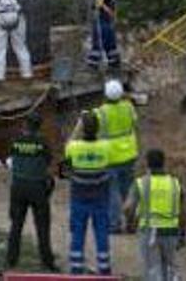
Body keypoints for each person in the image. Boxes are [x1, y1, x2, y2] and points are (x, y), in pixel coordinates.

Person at [5, 113, 58, 272]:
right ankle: (47, 262)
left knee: (16, 226)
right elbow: (48, 163)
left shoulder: (16, 142)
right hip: (37, 188)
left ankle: (11, 261)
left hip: (18, 187)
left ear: (25, 125)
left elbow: (11, 160)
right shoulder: (43, 144)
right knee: (42, 228)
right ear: (39, 126)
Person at [124, 148, 186, 281]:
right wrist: (182, 234)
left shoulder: (141, 183)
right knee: (170, 268)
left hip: (149, 232)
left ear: (147, 163)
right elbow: (183, 212)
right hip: (171, 231)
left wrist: (130, 224)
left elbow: (128, 208)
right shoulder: (175, 183)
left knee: (152, 269)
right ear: (164, 163)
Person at [64, 112, 112, 275]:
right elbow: (105, 139)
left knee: (77, 232)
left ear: (82, 129)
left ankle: (76, 267)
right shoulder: (106, 147)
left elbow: (68, 144)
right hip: (100, 197)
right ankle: (104, 267)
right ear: (97, 129)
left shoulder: (74, 148)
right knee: (101, 233)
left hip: (79, 196)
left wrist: (78, 125)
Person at [95, 78, 139, 234]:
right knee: (128, 190)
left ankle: (114, 224)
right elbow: (135, 123)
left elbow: (94, 130)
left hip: (110, 156)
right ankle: (131, 223)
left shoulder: (101, 112)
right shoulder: (128, 107)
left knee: (112, 191)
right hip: (129, 154)